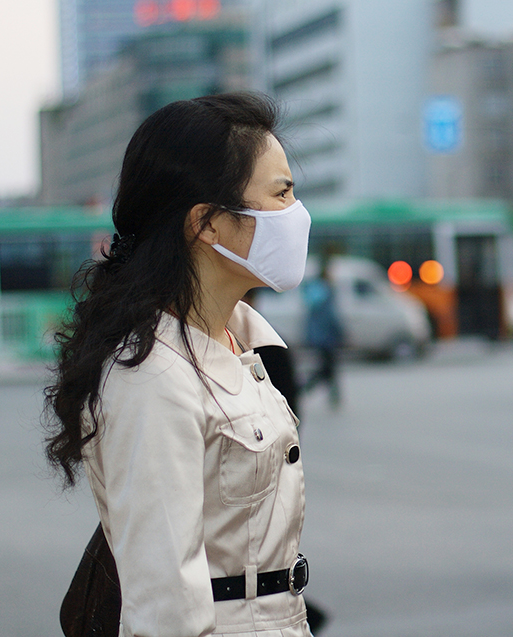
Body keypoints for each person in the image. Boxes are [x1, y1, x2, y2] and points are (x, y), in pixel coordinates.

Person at [44, 93, 315, 636]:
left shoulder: (241, 341)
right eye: (281, 193)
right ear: (208, 224)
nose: (297, 214)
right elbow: (165, 606)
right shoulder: (152, 373)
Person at [301, 260, 344, 407]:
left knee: (329, 366)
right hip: (327, 336)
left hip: (318, 335)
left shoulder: (315, 291)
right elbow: (331, 316)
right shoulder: (325, 290)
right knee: (327, 368)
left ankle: (334, 396)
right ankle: (304, 388)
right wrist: (340, 331)